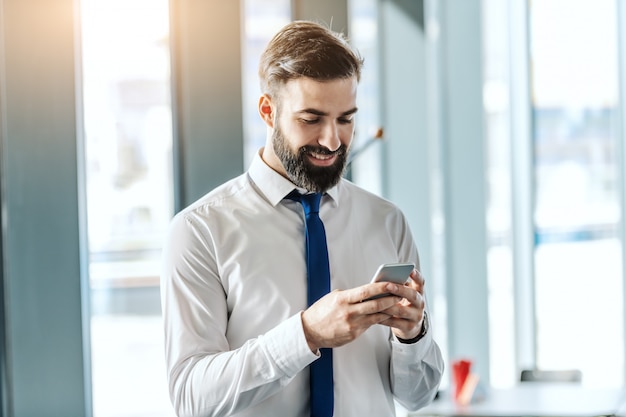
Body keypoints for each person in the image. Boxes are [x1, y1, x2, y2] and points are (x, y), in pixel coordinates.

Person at [161, 20, 444, 417]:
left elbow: (417, 397)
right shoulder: (200, 232)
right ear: (267, 111)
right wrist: (306, 334)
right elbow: (193, 399)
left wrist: (412, 335)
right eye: (311, 119)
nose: (332, 141)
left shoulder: (386, 221)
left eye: (345, 119)